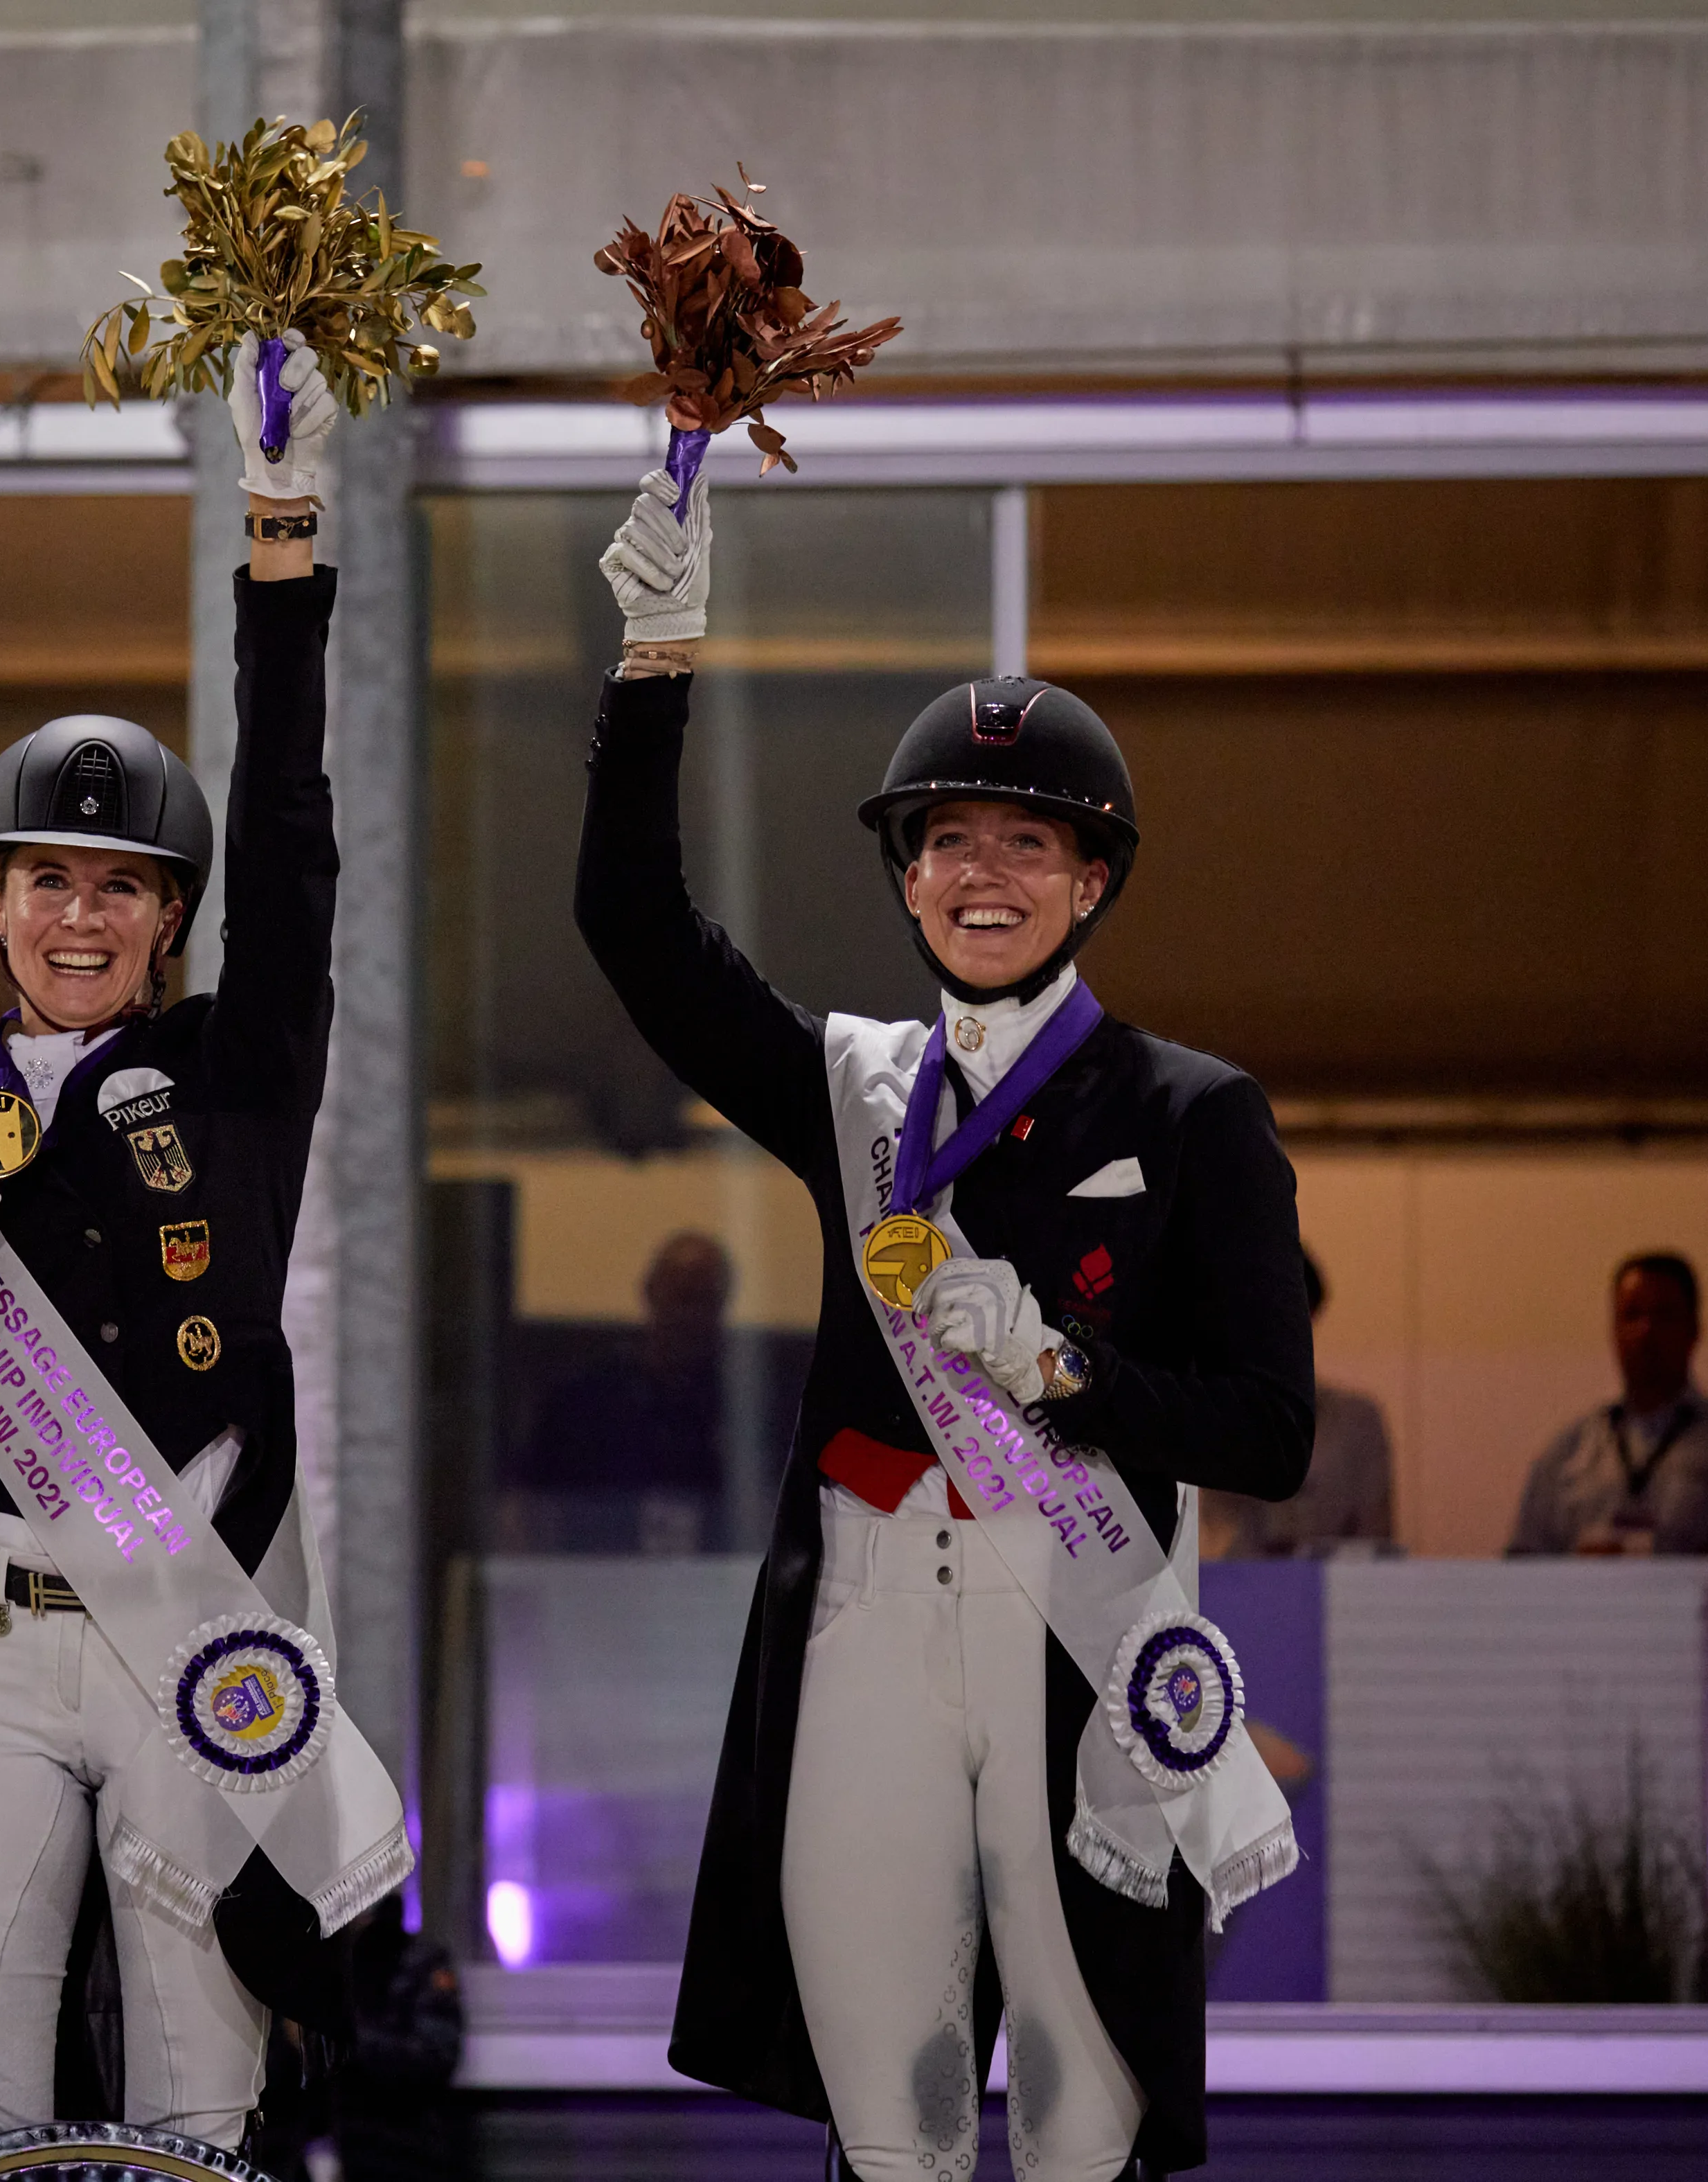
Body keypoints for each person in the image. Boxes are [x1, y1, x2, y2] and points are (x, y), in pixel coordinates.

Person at [575, 465, 1315, 2181]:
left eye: (1023, 842)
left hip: (1069, 1618)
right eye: (945, 841)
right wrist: (654, 657)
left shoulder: (1191, 1110)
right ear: (906, 880)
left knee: (1073, 2121)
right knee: (884, 2114)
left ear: (1088, 881)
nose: (979, 871)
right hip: (862, 1615)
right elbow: (630, 929)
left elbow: (1264, 1430)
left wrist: (1066, 1372)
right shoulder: (851, 1089)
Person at [0, 336, 409, 2161]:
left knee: (193, 2103)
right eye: (44, 877)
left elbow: (301, 840)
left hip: (189, 1640)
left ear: (169, 916)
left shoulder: (237, 1071)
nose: (81, 911)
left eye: (122, 884)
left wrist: (282, 547)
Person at [509, 1230, 733, 1553]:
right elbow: (527, 1511)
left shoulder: (742, 1415)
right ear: (651, 1293)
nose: (691, 1317)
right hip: (596, 1586)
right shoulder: (582, 1404)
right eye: (683, 1297)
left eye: (707, 1302)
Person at [1508, 1251, 1708, 1556]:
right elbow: (1522, 1567)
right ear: (1614, 1330)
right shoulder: (1568, 1453)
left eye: (1663, 1315)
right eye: (1632, 1315)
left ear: (1694, 1329)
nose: (1646, 1331)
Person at [1203, 1250, 1394, 1558]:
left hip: (1337, 1599)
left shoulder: (1357, 1422)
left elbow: (1374, 1553)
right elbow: (1212, 1546)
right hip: (1234, 1597)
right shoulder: (1212, 1417)